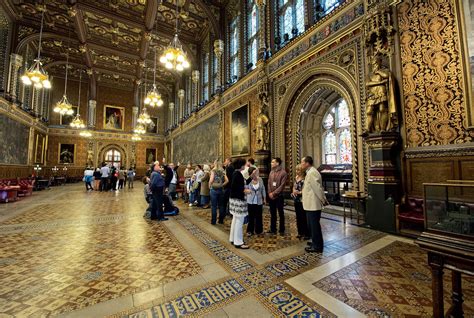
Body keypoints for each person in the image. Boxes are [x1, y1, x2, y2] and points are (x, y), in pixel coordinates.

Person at [301, 156, 328, 253]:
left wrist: (323, 200)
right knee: (311, 226)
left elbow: (317, 188)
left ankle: (317, 246)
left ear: (307, 163)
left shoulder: (312, 172)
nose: (301, 164)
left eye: (302, 162)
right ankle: (314, 242)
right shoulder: (309, 172)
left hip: (313, 204)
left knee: (314, 226)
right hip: (309, 204)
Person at [229, 158, 250, 249]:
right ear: (241, 165)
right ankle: (238, 242)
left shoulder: (236, 173)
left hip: (235, 200)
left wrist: (251, 177)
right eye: (244, 164)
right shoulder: (237, 174)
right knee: (239, 221)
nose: (245, 166)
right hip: (238, 200)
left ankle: (233, 238)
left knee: (235, 219)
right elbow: (236, 187)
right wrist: (245, 190)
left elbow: (239, 184)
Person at [267, 157, 288, 235]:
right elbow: (269, 183)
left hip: (279, 196)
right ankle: (273, 229)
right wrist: (269, 193)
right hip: (271, 196)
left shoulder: (283, 173)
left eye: (273, 162)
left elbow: (282, 186)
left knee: (280, 213)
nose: (271, 163)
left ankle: (282, 230)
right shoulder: (271, 172)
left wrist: (274, 193)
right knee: (272, 213)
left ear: (277, 163)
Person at [291, 164, 310, 240]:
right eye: (296, 170)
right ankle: (300, 232)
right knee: (298, 216)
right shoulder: (296, 177)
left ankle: (306, 233)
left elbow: (305, 190)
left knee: (304, 217)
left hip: (302, 199)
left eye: (298, 170)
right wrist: (293, 191)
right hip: (296, 199)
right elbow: (294, 186)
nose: (297, 171)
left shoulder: (305, 179)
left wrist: (298, 193)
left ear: (302, 171)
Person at [245, 166, 266, 236]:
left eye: (257, 172)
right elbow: (245, 189)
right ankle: (250, 230)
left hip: (259, 201)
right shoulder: (248, 180)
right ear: (251, 173)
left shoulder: (260, 179)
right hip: (250, 201)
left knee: (259, 216)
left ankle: (259, 230)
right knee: (251, 217)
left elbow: (263, 189)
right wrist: (248, 191)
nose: (256, 173)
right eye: (254, 172)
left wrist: (264, 198)